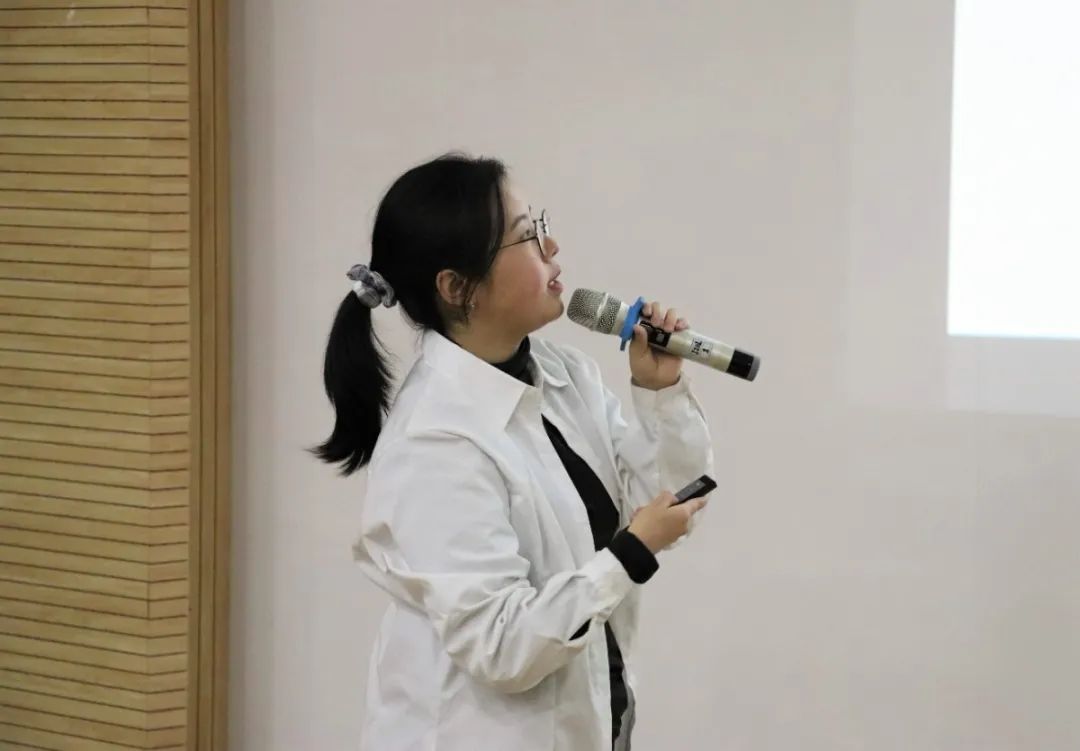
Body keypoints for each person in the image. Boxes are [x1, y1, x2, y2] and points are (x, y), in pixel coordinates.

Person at [315, 153, 714, 750]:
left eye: (540, 224)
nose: (552, 246)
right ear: (457, 287)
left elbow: (666, 505)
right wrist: (629, 553)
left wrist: (659, 392)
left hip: (596, 722)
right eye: (528, 235)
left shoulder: (562, 372)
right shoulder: (435, 441)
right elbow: (500, 646)